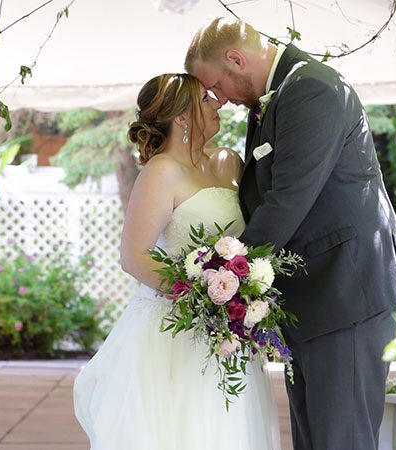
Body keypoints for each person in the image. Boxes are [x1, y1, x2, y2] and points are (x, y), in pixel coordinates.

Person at [185, 17, 396, 450]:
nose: (221, 99)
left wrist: (227, 276)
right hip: (314, 302)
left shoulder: (314, 89)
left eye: (216, 85)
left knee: (340, 440)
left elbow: (287, 199)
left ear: (237, 58)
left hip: (345, 295)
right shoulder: (278, 96)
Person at [72, 73, 281, 450]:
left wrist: (236, 302)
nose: (218, 103)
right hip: (177, 328)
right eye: (205, 100)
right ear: (182, 118)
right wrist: (202, 300)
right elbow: (133, 256)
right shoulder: (161, 171)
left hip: (228, 332)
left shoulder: (229, 163)